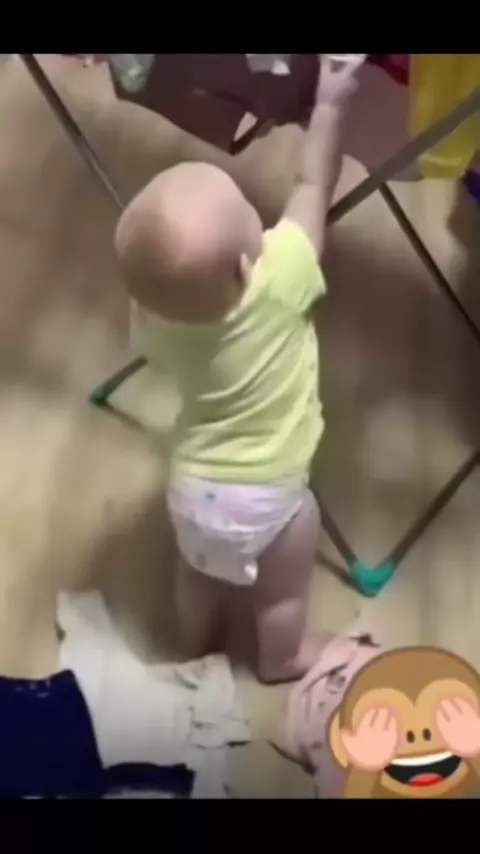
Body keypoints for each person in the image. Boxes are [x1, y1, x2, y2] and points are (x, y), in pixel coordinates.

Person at [115, 55, 365, 683]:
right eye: (247, 208)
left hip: (193, 491)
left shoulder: (155, 321)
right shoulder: (282, 279)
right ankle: (283, 659)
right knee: (280, 595)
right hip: (271, 495)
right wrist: (329, 104)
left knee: (197, 575)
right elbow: (312, 187)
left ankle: (193, 638)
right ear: (248, 266)